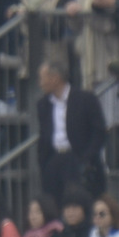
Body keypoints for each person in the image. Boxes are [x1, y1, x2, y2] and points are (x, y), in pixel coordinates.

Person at [36, 59, 106, 202]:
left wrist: (86, 158)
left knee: (78, 203)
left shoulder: (86, 99)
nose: (40, 83)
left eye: (42, 78)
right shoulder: (43, 105)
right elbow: (44, 135)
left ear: (55, 78)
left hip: (78, 160)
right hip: (54, 160)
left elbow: (99, 132)